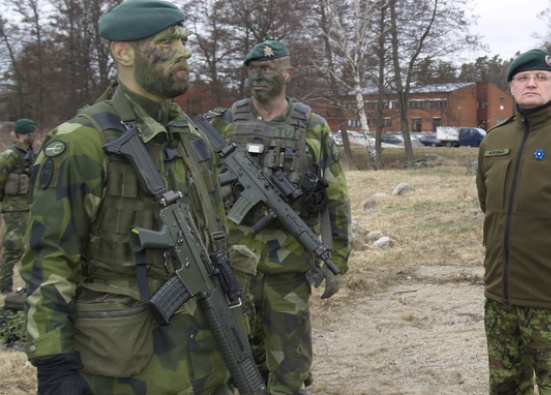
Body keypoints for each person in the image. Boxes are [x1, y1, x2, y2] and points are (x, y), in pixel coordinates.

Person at [19, 0, 254, 393]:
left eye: (183, 38)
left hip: (208, 358)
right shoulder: (82, 142)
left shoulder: (192, 138)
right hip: (125, 370)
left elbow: (218, 243)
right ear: (122, 52)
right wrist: (54, 363)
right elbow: (48, 261)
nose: (185, 50)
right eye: (167, 41)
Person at [208, 40, 352, 395]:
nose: (259, 76)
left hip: (288, 264)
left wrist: (338, 261)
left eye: (268, 69)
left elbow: (335, 197)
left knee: (290, 362)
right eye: (253, 69)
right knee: (237, 353)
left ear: (287, 74)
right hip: (233, 263)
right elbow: (201, 190)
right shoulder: (223, 123)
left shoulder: (314, 127)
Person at [475, 49, 551, 394]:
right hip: (500, 297)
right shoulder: (493, 140)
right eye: (523, 78)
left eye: (541, 78)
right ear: (511, 87)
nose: (531, 83)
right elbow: (487, 204)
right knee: (505, 386)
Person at [0, 119, 35, 295]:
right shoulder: (10, 155)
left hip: (29, 208)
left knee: (30, 248)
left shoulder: (31, 153)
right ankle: (4, 288)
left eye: (33, 133)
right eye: (29, 133)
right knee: (13, 248)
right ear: (20, 134)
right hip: (14, 209)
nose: (32, 136)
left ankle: (27, 287)